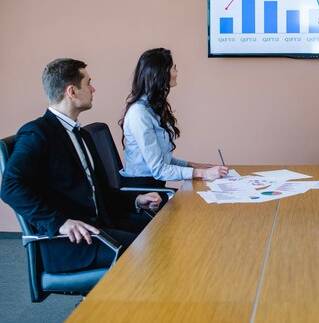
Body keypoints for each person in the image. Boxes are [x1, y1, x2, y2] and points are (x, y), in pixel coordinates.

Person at [1, 58, 162, 273]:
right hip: (71, 241)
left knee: (162, 233)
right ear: (72, 91)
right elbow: (10, 187)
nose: (93, 89)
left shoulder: (82, 134)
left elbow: (100, 193)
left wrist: (136, 199)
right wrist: (60, 222)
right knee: (150, 251)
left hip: (100, 226)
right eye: (88, 83)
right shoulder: (36, 134)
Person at [119, 48, 228, 183]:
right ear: (160, 74)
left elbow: (163, 159)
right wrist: (202, 173)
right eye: (174, 68)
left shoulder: (152, 108)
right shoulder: (139, 114)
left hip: (153, 185)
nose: (176, 73)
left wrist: (195, 166)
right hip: (144, 190)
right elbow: (159, 170)